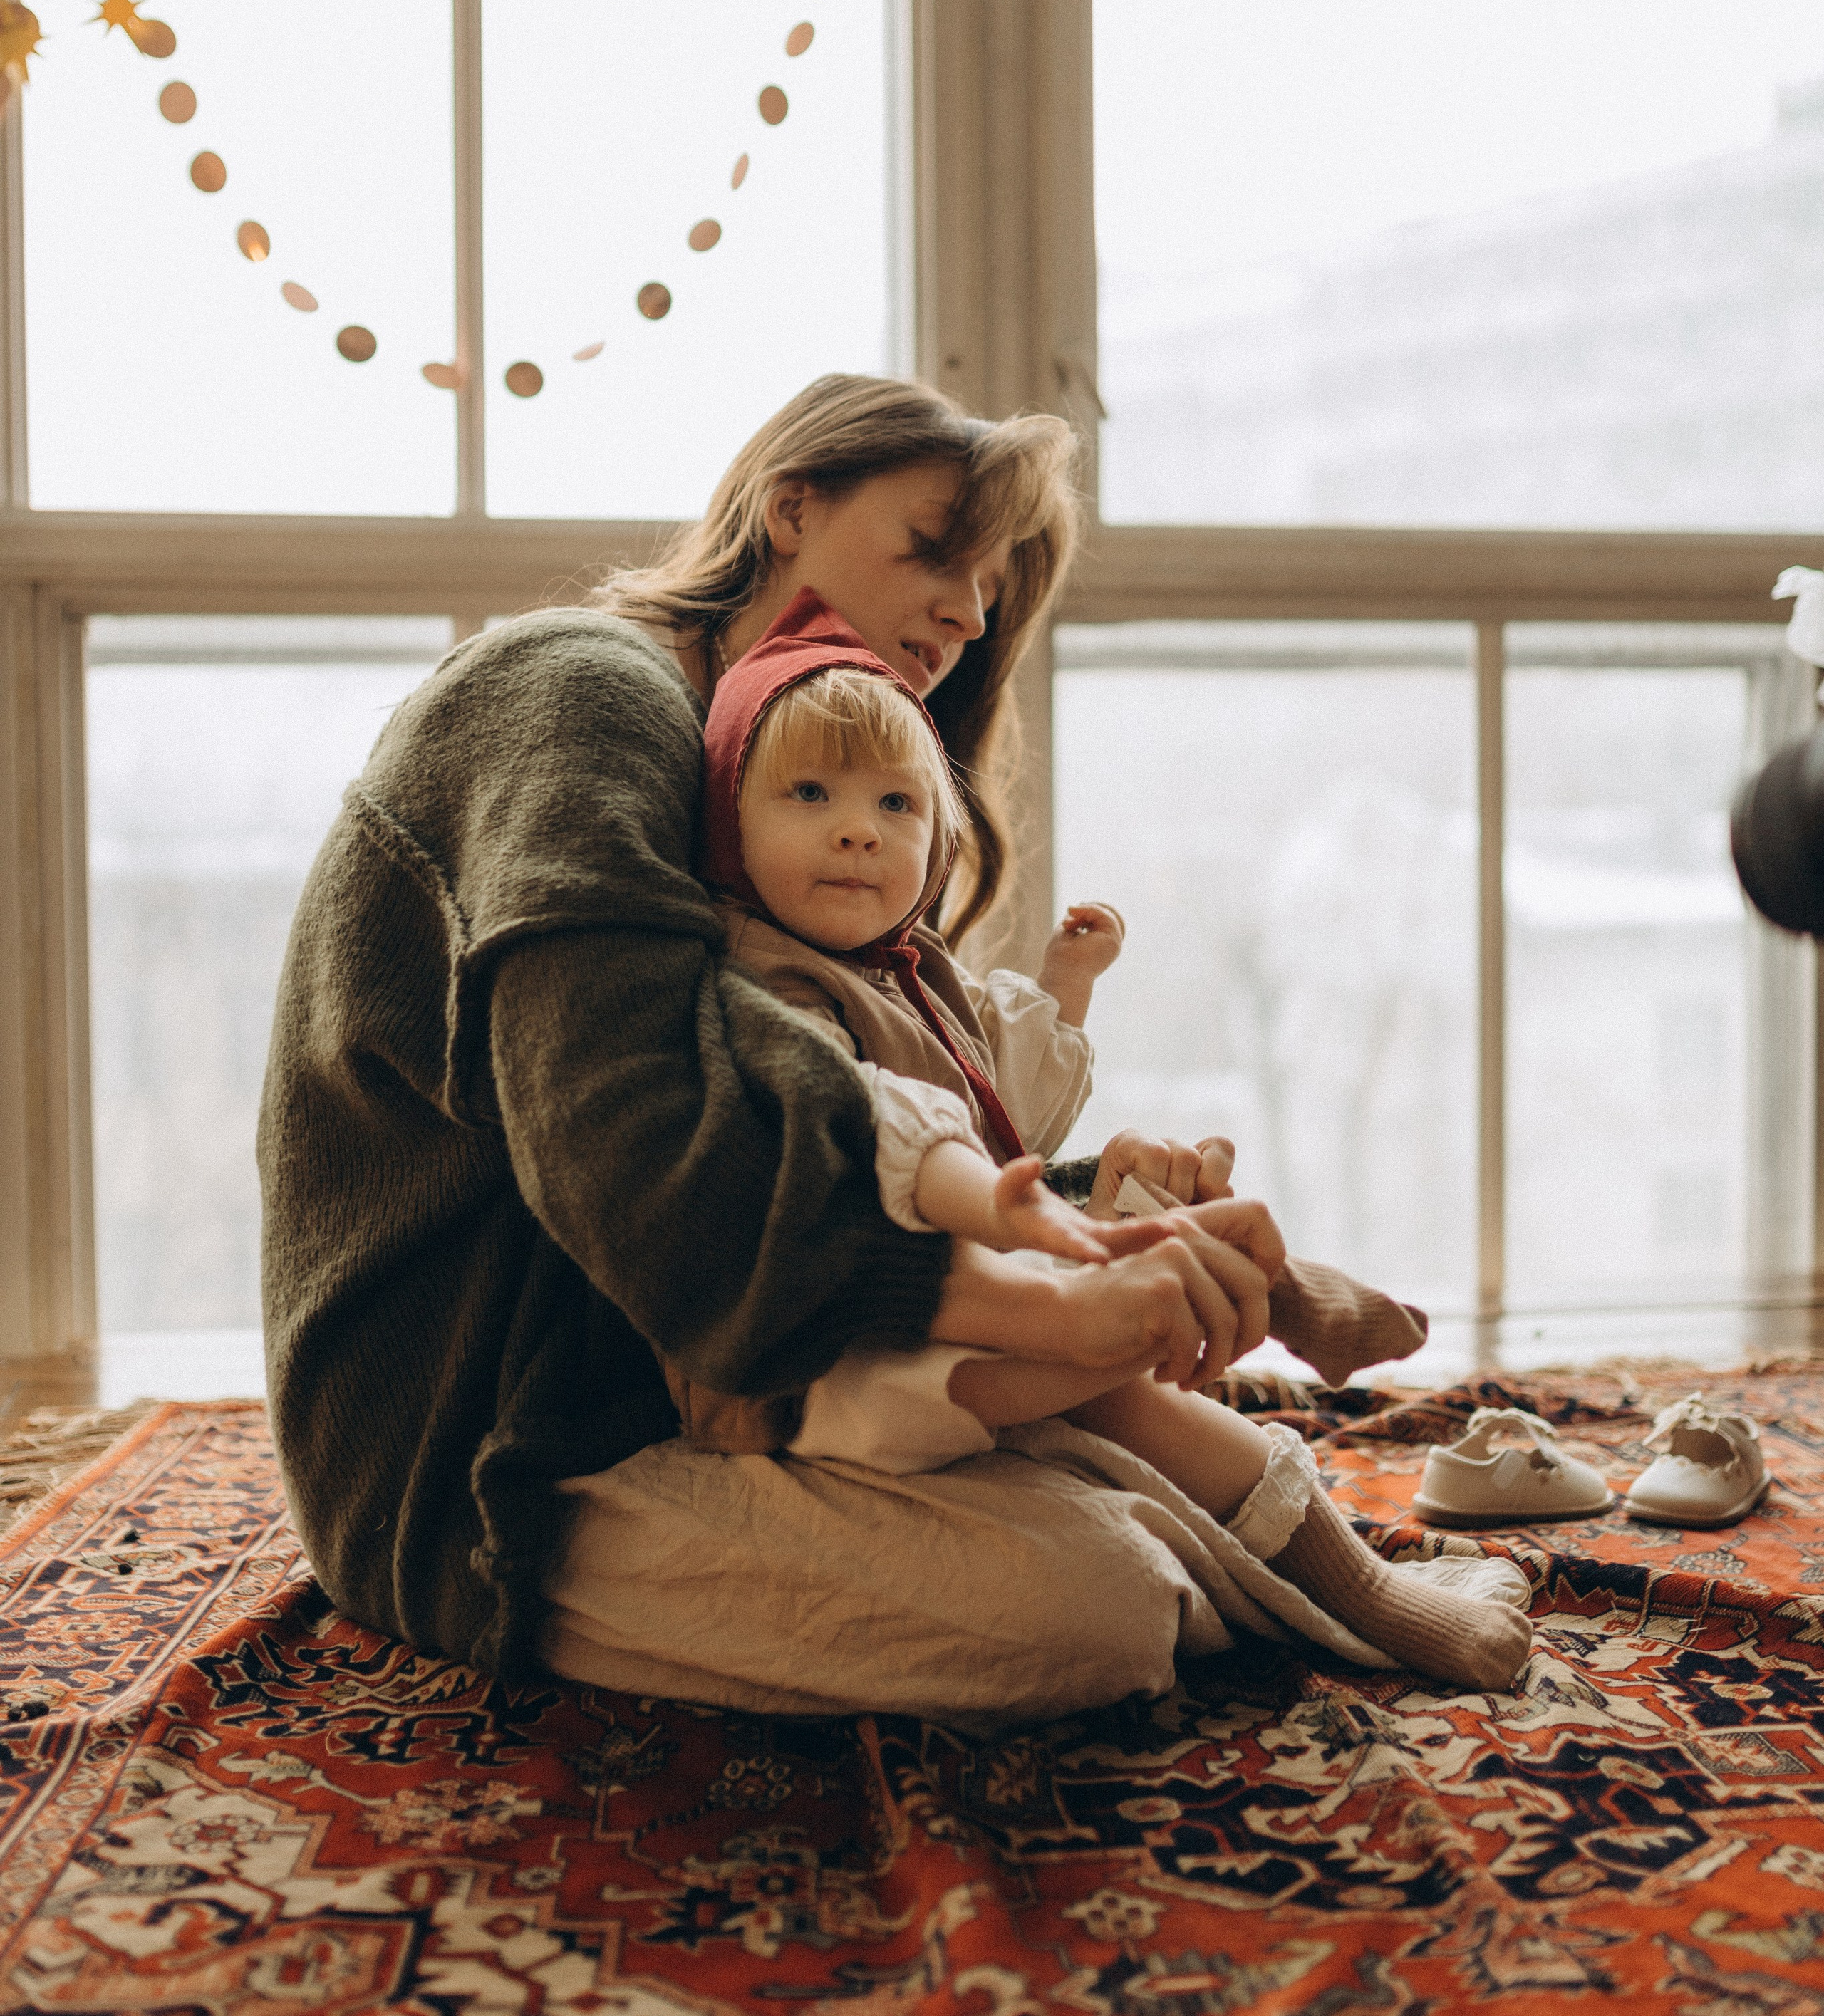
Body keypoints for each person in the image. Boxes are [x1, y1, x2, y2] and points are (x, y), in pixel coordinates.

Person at [261, 373, 1525, 1727]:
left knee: (1107, 1431)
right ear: (788, 508)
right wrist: (1052, 1300)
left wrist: (1090, 1205)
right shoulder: (580, 694)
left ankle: (1268, 1539)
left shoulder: (741, 788)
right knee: (1105, 1608)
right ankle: (1252, 1555)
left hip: (670, 1355)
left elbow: (834, 1121)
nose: (971, 612)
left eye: (991, 583)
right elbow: (650, 1181)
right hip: (495, 1448)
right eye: (936, 548)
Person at [597, 581, 1527, 1698]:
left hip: (952, 1299)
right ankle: (1368, 1578)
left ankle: (1272, 1291)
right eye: (808, 792)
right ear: (728, 826)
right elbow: (879, 1129)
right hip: (829, 1363)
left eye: (897, 804)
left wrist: (1063, 989)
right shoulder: (764, 985)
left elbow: (1002, 1108)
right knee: (1130, 1377)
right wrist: (1013, 1220)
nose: (859, 827)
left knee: (1132, 1228)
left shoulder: (901, 968)